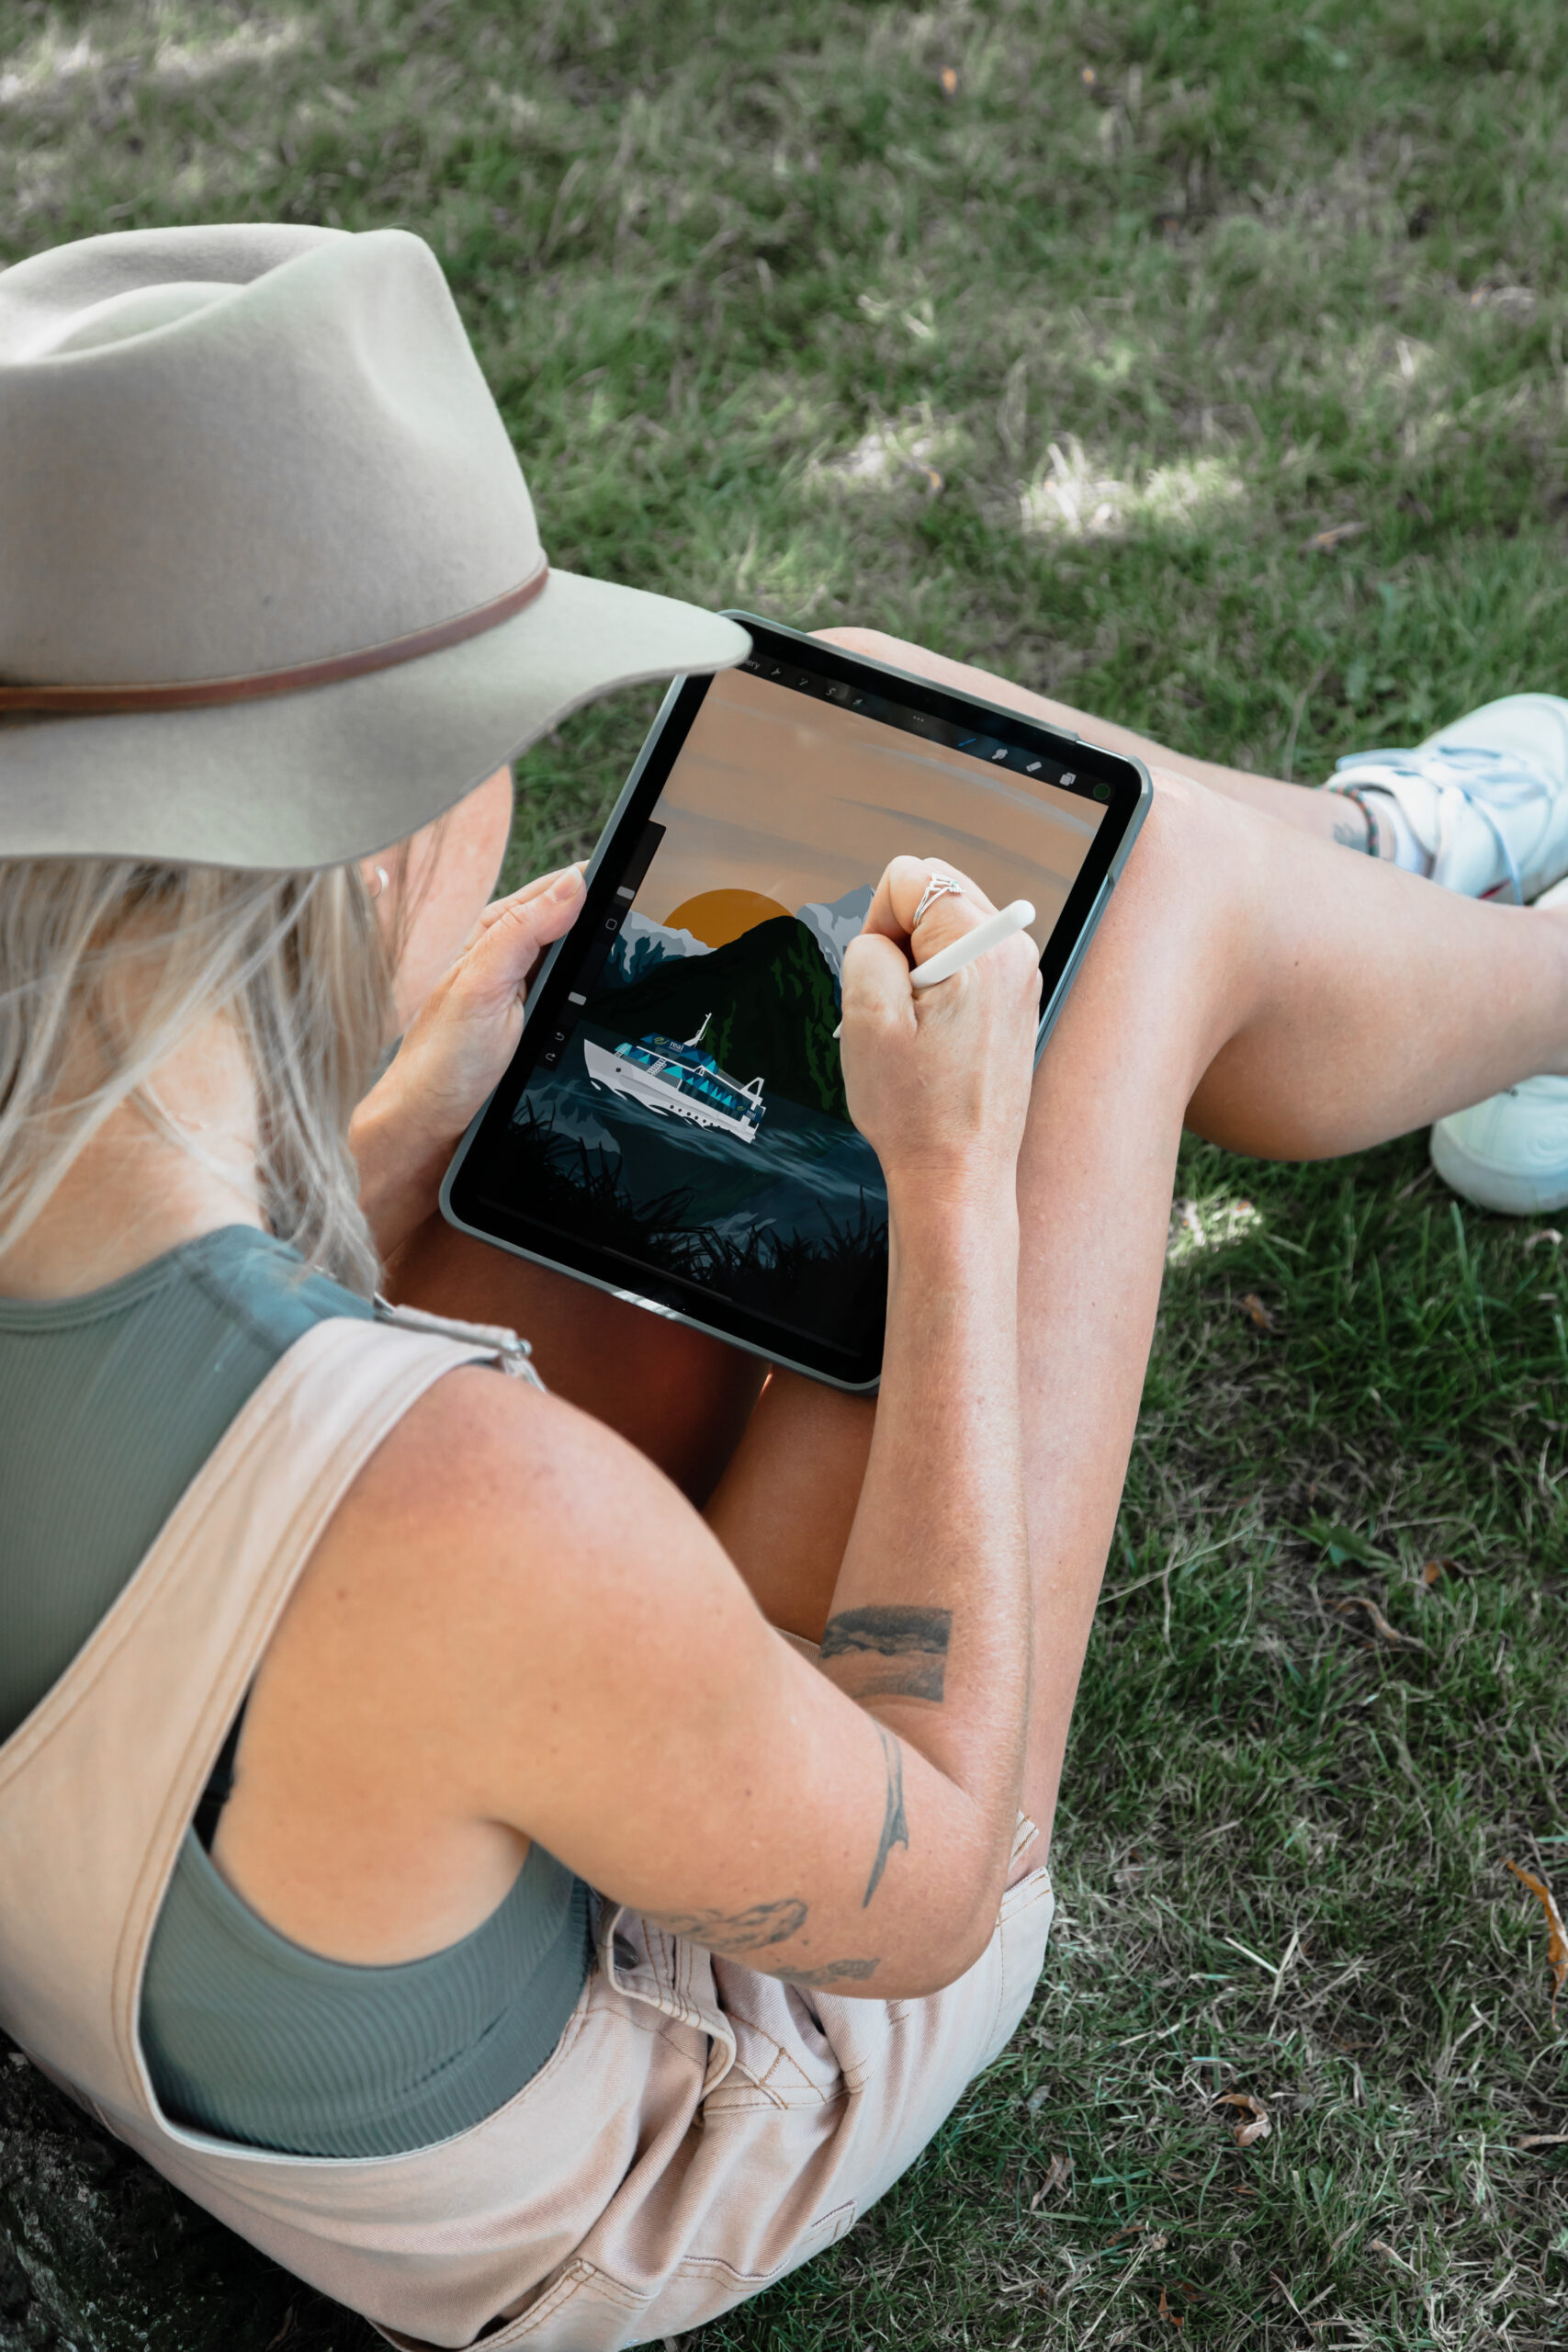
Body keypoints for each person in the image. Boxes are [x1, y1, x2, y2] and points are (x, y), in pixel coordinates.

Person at [2, 221, 1567, 2352]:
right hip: (654, 2125)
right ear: (366, 839)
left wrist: (397, 1127)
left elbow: (193, 1441)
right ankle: (1489, 946)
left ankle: (1397, 853)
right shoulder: (471, 1508)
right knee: (1118, 921)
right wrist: (956, 1180)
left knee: (858, 747)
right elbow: (921, 1887)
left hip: (238, 1906)